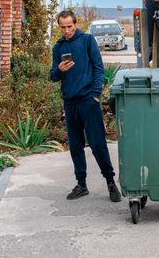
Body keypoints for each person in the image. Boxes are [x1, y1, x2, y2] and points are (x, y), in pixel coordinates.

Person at [50, 10, 121, 203]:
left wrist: (96, 95)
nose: (66, 31)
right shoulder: (58, 47)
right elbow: (52, 76)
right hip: (70, 102)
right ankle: (81, 185)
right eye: (62, 27)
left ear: (75, 24)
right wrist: (59, 70)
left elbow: (98, 67)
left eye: (69, 26)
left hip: (88, 102)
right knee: (75, 146)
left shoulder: (88, 40)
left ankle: (110, 182)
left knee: (98, 144)